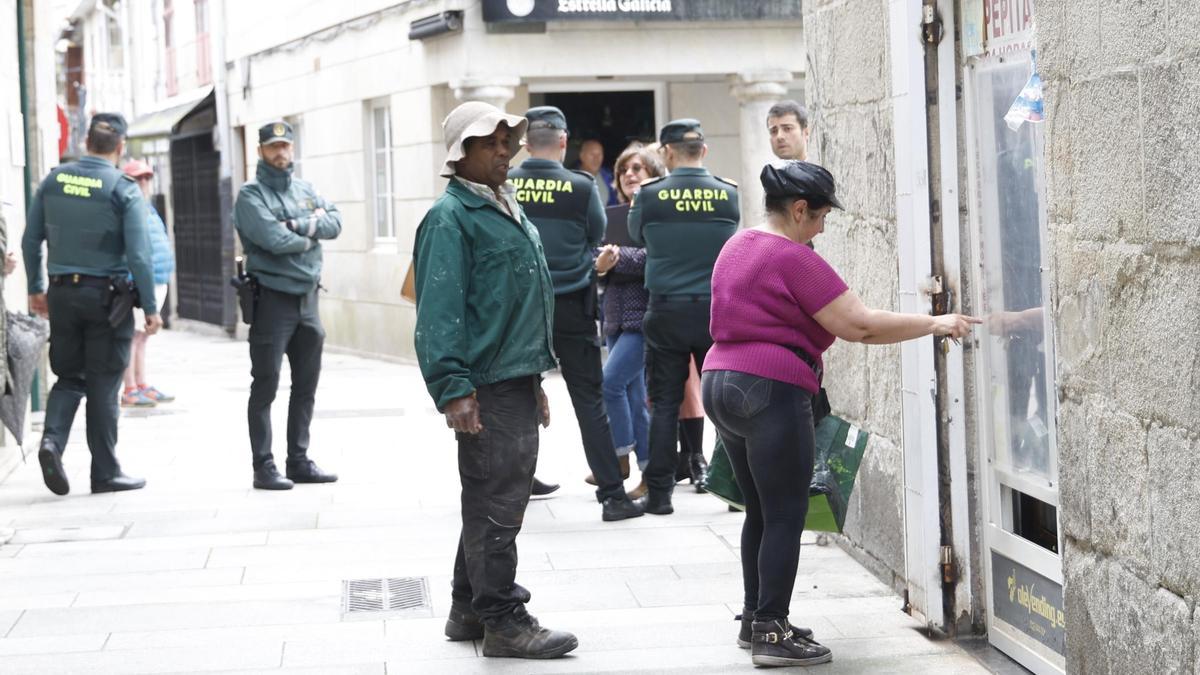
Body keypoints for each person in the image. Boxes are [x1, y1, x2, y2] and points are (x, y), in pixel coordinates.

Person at [703, 160, 981, 667]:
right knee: (786, 513)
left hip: (720, 382)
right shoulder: (794, 257)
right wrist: (935, 322)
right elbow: (861, 326)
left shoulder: (735, 245)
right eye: (822, 216)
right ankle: (770, 634)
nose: (824, 227)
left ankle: (756, 618)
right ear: (800, 209)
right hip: (771, 387)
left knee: (760, 512)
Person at [413, 101, 578, 660]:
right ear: (463, 154)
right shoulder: (450, 217)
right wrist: (453, 387)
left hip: (512, 375)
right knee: (499, 501)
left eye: (509, 141)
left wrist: (534, 379)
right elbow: (438, 311)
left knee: (489, 496)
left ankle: (468, 608)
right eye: (492, 144)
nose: (506, 152)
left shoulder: (500, 204)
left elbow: (514, 302)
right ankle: (505, 620)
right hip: (483, 382)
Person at [508, 106, 643, 523]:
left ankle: (515, 483)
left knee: (514, 397)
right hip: (571, 305)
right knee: (589, 400)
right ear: (564, 142)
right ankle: (611, 496)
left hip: (519, 308)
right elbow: (594, 237)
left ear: (525, 143)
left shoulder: (506, 185)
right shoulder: (582, 187)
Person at [22, 112, 160, 496]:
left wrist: (36, 287)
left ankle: (52, 442)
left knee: (68, 376)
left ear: (85, 143)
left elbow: (31, 240)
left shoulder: (52, 180)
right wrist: (150, 307)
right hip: (106, 298)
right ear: (120, 147)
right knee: (103, 382)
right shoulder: (122, 187)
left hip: (62, 293)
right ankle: (105, 472)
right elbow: (140, 255)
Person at [628, 118, 739, 516]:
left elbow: (638, 236)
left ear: (667, 153)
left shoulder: (650, 195)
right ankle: (735, 491)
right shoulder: (728, 195)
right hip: (716, 311)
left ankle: (660, 495)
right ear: (703, 151)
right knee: (726, 403)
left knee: (664, 405)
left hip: (668, 310)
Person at [234, 120, 341, 491]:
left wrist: (299, 226)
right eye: (273, 147)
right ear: (261, 151)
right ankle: (264, 466)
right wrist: (308, 233)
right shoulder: (251, 196)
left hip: (308, 299)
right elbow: (274, 240)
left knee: (306, 385)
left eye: (285, 146)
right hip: (272, 300)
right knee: (265, 384)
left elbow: (335, 222)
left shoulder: (305, 189)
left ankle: (298, 460)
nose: (280, 152)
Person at [593, 142, 665, 500]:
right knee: (634, 397)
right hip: (615, 319)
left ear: (654, 175)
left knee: (609, 385)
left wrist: (616, 259)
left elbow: (656, 258)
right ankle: (650, 474)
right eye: (624, 170)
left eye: (638, 168)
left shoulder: (661, 214)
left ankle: (619, 457)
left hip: (644, 318)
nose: (630, 175)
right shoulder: (613, 215)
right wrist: (602, 265)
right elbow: (597, 255)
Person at [120, 160, 175, 408]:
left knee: (143, 337)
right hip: (140, 284)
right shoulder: (128, 207)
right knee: (132, 336)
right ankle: (130, 387)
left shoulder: (149, 208)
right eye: (137, 178)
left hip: (158, 280)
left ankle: (142, 383)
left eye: (146, 178)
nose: (143, 183)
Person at [578, 139, 617, 206]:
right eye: (592, 154)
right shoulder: (570, 180)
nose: (596, 159)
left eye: (599, 154)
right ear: (582, 156)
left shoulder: (609, 177)